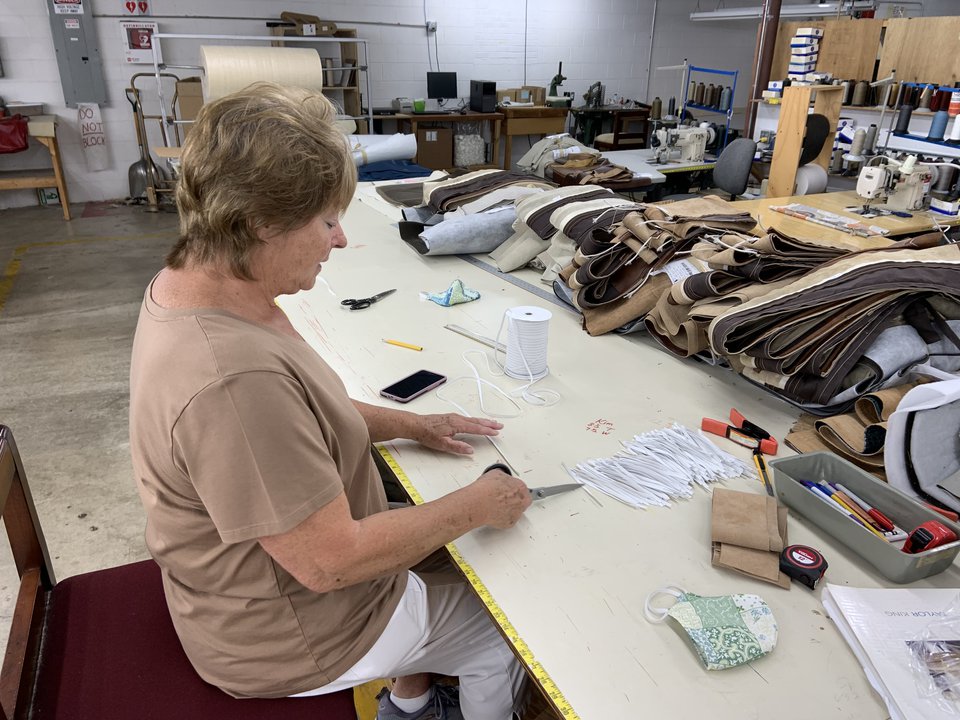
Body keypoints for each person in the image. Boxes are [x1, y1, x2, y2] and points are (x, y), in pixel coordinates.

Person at [128, 82, 532, 720]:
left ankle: (411, 692)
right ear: (261, 221)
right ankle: (423, 684)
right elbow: (329, 562)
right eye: (327, 220)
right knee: (508, 629)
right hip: (289, 636)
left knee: (434, 538)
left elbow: (306, 415)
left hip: (244, 585)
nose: (340, 241)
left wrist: (412, 425)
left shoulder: (197, 284)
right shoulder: (233, 379)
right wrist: (478, 504)